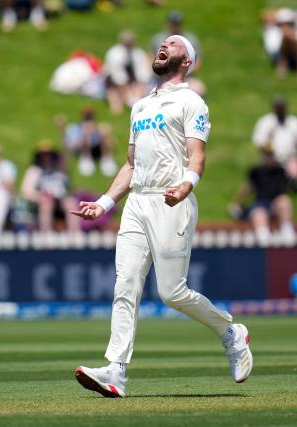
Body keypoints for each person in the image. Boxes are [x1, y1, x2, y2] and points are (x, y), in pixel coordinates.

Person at [70, 36, 252, 398]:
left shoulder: (191, 101)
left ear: (187, 62)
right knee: (125, 284)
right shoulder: (139, 106)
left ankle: (231, 333)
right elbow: (131, 164)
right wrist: (105, 204)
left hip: (172, 200)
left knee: (171, 292)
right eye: (163, 43)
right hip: (138, 203)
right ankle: (116, 371)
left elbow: (196, 155)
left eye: (174, 43)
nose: (164, 44)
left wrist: (187, 185)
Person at [228, 146, 295, 246]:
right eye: (266, 155)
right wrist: (237, 203)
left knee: (284, 201)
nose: (268, 157)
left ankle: (288, 234)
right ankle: (264, 239)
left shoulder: (281, 171)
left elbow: (291, 188)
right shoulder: (256, 171)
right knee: (259, 213)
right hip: (261, 203)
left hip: (276, 204)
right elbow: (247, 188)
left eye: (270, 155)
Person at [21, 140, 80, 233]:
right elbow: (26, 191)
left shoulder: (59, 169)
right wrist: (40, 195)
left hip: (60, 199)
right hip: (42, 201)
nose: (46, 157)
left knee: (71, 203)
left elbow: (66, 154)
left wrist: (62, 132)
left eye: (49, 154)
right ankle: (46, 234)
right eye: (43, 155)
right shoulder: (34, 171)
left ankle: (74, 233)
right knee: (46, 204)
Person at [252, 95, 297, 184]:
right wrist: (270, 150)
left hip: (290, 157)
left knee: (295, 172)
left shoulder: (295, 122)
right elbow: (259, 142)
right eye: (277, 107)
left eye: (281, 107)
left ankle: (289, 186)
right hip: (270, 157)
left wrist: (293, 150)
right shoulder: (266, 122)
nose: (280, 110)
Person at [149, 11, 205, 97]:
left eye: (177, 23)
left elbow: (197, 61)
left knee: (198, 89)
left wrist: (180, 73)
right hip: (158, 78)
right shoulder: (158, 39)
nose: (175, 25)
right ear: (168, 23)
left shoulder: (191, 39)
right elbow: (150, 57)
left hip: (186, 78)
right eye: (173, 23)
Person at [261, 8, 297, 82]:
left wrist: (296, 16)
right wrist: (280, 14)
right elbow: (265, 16)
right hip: (277, 53)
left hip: (296, 52)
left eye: (289, 23)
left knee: (290, 38)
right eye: (283, 23)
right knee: (288, 37)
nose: (286, 25)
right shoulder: (274, 29)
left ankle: (283, 65)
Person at [103, 30, 151, 115]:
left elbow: (142, 74)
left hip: (132, 82)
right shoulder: (114, 54)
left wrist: (139, 92)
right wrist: (127, 94)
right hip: (113, 83)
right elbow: (118, 76)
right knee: (116, 108)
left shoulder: (138, 53)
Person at [61, 106, 117, 177]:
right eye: (87, 118)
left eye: (90, 117)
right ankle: (86, 159)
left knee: (104, 133)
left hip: (98, 149)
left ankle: (107, 159)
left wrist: (101, 132)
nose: (89, 120)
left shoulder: (100, 127)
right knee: (86, 137)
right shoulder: (75, 128)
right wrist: (85, 134)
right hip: (83, 149)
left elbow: (112, 144)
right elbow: (70, 145)